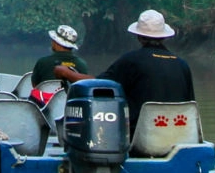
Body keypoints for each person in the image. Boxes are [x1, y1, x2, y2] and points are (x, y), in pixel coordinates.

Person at [59, 9, 195, 129]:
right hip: (179, 137)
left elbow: (99, 84)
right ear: (164, 37)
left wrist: (67, 73)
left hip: (140, 138)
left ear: (139, 37)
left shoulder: (131, 61)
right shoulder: (182, 65)